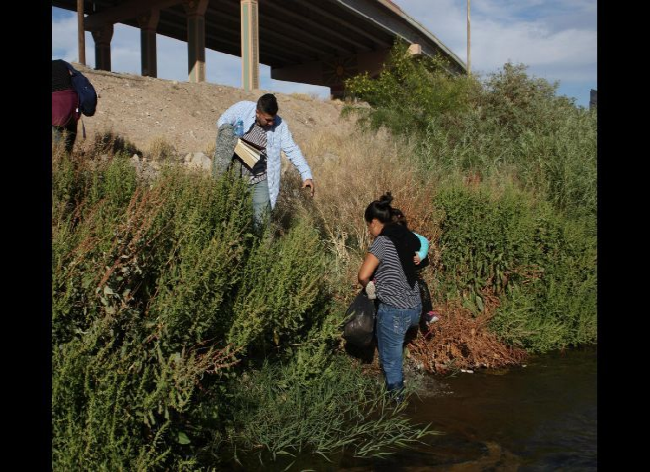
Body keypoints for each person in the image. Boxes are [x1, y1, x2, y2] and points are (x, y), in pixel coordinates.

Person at [213, 93, 315, 227]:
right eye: (267, 120)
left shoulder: (280, 125)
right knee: (235, 223)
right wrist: (238, 144)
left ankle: (263, 247)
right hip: (236, 178)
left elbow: (292, 149)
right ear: (257, 112)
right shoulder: (242, 108)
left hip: (260, 179)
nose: (271, 123)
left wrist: (306, 175)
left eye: (273, 119)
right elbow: (222, 122)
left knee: (262, 225)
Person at [357, 193, 422, 402]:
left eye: (369, 226)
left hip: (395, 312)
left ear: (375, 222)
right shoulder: (404, 235)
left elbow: (363, 275)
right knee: (396, 353)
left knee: (391, 364)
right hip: (415, 309)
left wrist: (370, 288)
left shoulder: (382, 241)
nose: (369, 231)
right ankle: (405, 385)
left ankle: (397, 408)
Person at [52, 59, 80, 154]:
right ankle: (68, 154)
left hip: (55, 103)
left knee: (56, 129)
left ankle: (59, 158)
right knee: (71, 127)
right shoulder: (63, 63)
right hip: (71, 99)